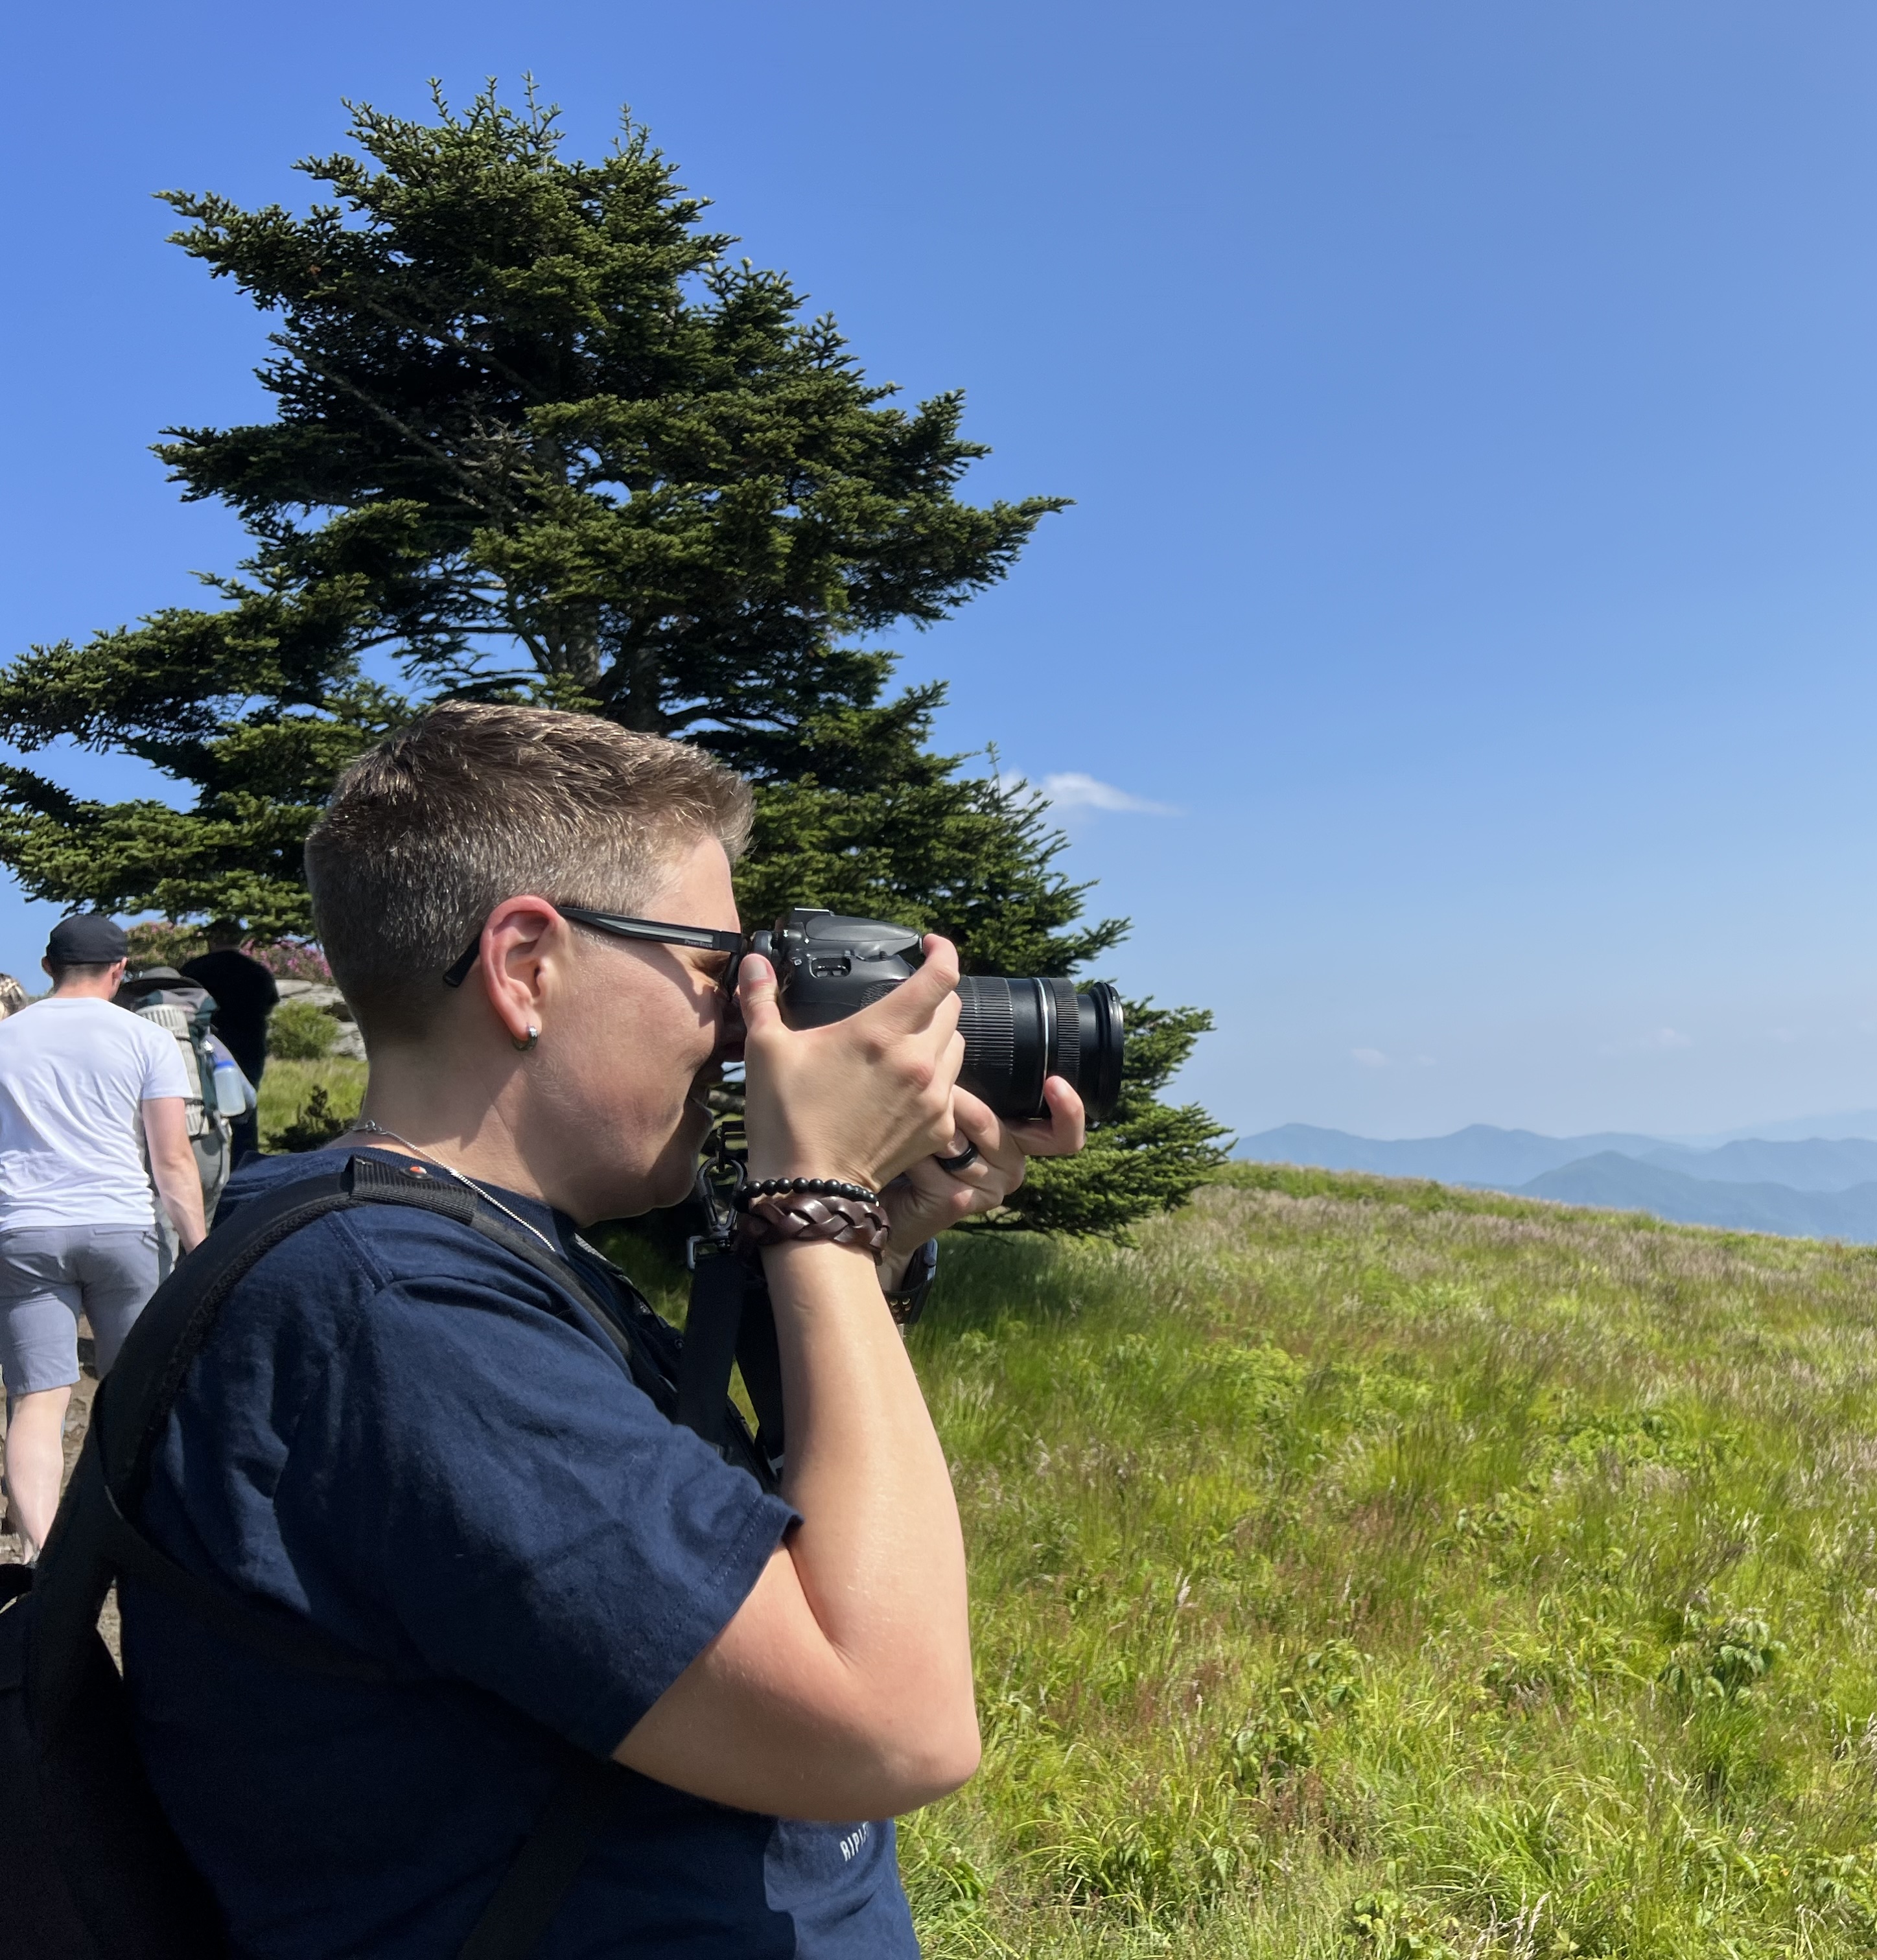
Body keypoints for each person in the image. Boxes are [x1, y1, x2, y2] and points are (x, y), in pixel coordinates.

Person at [122, 701, 1081, 1955]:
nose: (747, 1021)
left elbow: (768, 1556)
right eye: (713, 965)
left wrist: (868, 1245)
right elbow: (892, 1718)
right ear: (526, 965)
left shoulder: (438, 1245)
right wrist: (819, 1209)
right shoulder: (392, 1310)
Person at [0, 914, 209, 1546]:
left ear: (46, 968)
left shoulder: (7, 1035)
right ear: (120, 971)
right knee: (136, 1392)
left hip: (24, 1230)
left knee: (39, 1398)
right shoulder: (145, 1040)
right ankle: (137, 1533)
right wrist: (200, 1250)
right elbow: (172, 1161)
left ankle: (41, 1551)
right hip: (122, 1227)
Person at [181, 917, 279, 1165]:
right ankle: (244, 1167)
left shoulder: (194, 970)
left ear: (212, 939)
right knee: (246, 1110)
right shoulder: (258, 972)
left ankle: (208, 1165)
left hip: (205, 1048)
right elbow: (270, 1003)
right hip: (249, 1048)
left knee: (204, 1109)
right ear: (240, 940)